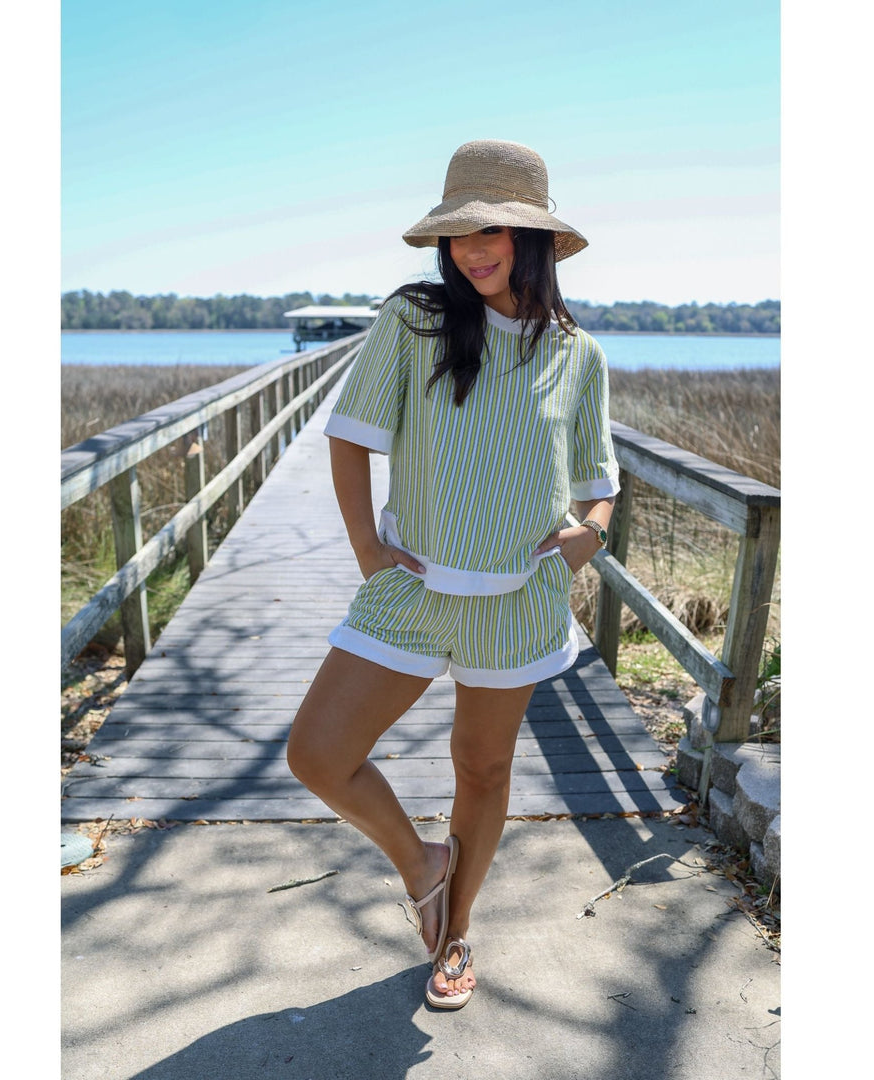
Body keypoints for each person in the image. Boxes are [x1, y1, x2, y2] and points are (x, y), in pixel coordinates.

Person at [287, 139, 620, 1010]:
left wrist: (589, 535)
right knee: (318, 753)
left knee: (481, 771)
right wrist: (368, 549)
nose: (472, 248)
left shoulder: (578, 354)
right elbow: (350, 433)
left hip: (518, 603)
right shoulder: (414, 319)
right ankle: (422, 862)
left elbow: (598, 484)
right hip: (414, 586)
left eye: (493, 230)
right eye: (459, 232)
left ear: (533, 237)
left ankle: (456, 934)